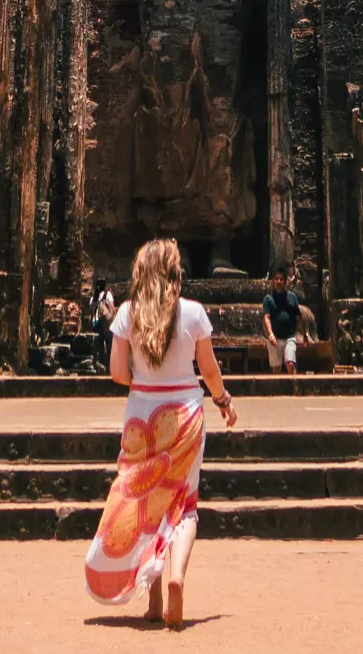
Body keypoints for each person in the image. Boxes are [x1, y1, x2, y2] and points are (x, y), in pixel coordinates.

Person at [84, 238, 238, 628]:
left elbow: (118, 374)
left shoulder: (126, 314)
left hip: (142, 414)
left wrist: (145, 378)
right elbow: (210, 371)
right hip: (185, 413)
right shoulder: (194, 312)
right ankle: (175, 577)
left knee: (144, 503)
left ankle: (152, 602)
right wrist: (222, 401)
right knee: (183, 504)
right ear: (175, 274)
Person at [261, 265, 305, 373]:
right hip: (274, 338)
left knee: (290, 363)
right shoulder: (268, 299)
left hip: (289, 337)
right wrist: (270, 334)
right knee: (276, 369)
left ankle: (294, 389)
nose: (279, 281)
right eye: (276, 279)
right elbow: (266, 317)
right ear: (273, 281)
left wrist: (305, 335)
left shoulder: (292, 297)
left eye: (281, 279)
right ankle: (278, 390)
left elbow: (299, 317)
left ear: (285, 281)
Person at [92, 281, 116, 370]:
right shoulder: (108, 294)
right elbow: (112, 308)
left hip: (97, 324)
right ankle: (110, 366)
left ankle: (101, 365)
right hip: (107, 324)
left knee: (100, 346)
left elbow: (92, 308)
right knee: (110, 344)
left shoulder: (94, 295)